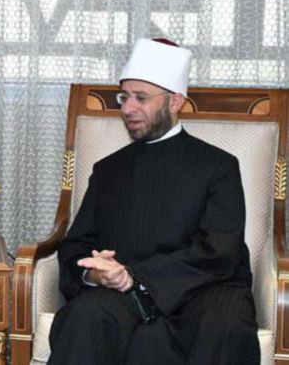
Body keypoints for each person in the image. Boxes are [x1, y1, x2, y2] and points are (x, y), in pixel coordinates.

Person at [48, 38, 259, 364]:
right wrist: (97, 275)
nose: (127, 108)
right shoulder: (108, 170)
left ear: (175, 102)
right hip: (122, 291)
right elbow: (77, 246)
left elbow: (219, 251)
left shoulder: (219, 166)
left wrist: (137, 276)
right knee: (85, 317)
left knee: (227, 326)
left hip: (205, 287)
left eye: (141, 98)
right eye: (124, 97)